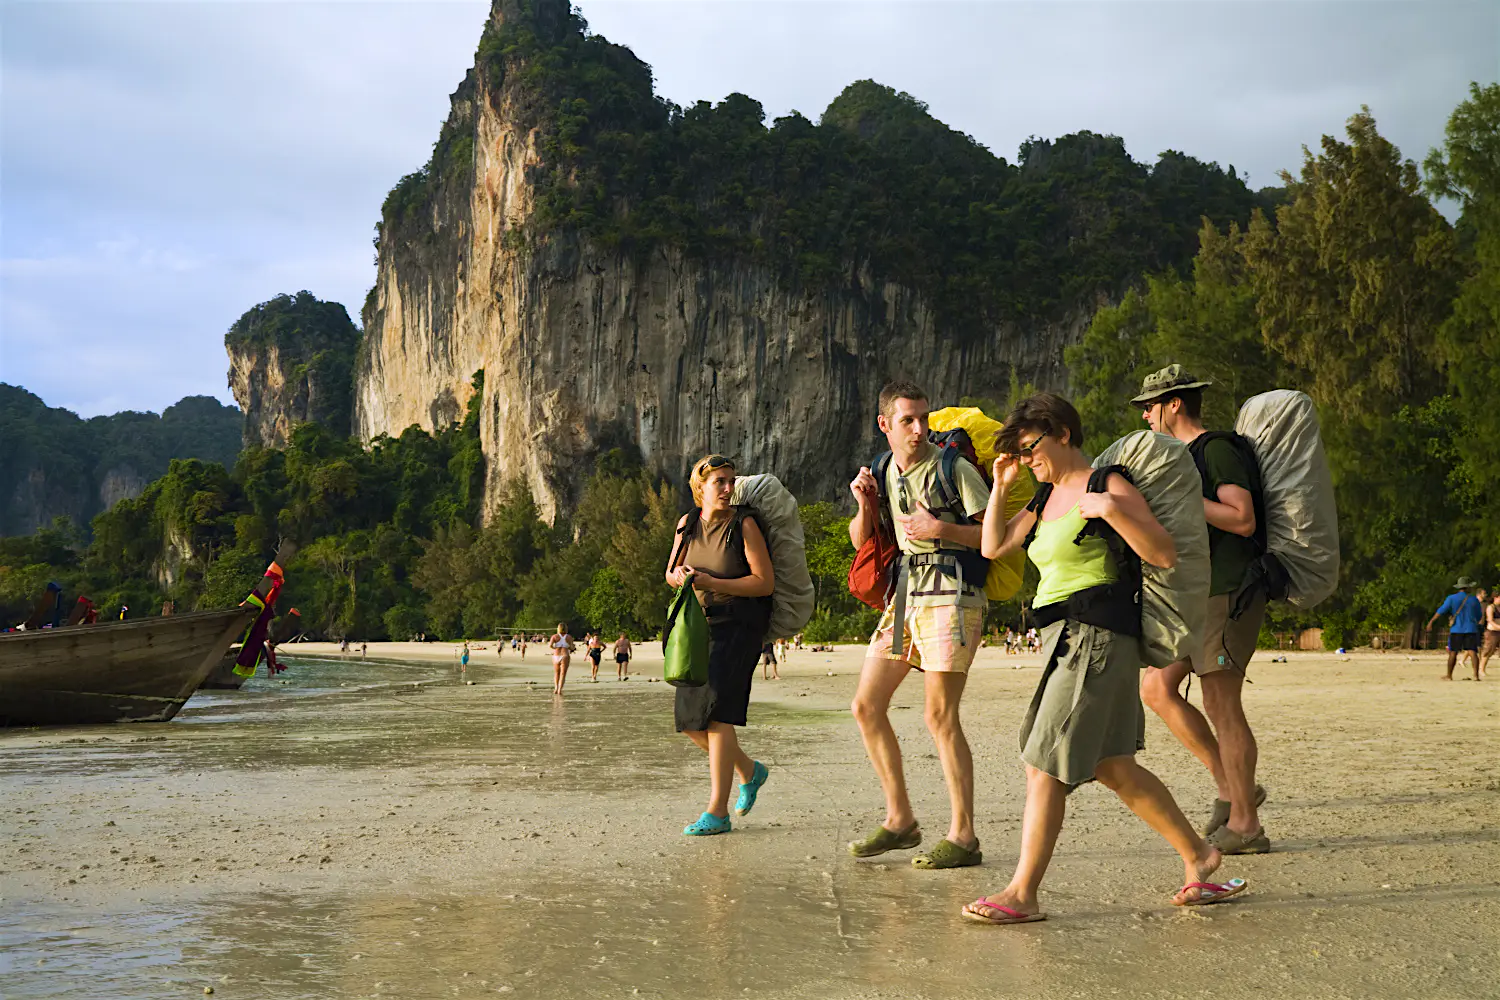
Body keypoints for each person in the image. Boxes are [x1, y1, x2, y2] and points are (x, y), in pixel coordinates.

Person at [963, 392, 1246, 925]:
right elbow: (992, 547)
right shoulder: (1043, 499)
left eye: (1032, 448)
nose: (1029, 461)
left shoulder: (1105, 485)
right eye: (1022, 454)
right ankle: (1200, 856)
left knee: (1043, 762)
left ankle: (1023, 892)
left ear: (1062, 433)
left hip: (1094, 634)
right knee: (1112, 765)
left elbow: (1162, 553)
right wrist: (1001, 487)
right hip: (1060, 640)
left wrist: (1112, 510)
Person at [846, 381, 989, 870]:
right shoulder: (884, 469)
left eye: (923, 418)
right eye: (907, 420)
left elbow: (994, 537)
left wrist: (941, 529)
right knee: (866, 706)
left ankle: (964, 836)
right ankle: (900, 820)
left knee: (939, 716)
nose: (919, 428)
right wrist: (865, 503)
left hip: (953, 592)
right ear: (884, 424)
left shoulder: (955, 468)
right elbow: (860, 540)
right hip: (906, 593)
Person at [1132, 366, 1270, 855]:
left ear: (1174, 404)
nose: (1145, 415)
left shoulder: (1215, 449)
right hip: (1193, 594)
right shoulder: (1183, 456)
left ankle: (1247, 825)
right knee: (1156, 687)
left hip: (1227, 591)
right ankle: (1232, 788)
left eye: (1149, 405)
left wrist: (1183, 497)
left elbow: (1241, 517)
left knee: (1221, 704)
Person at [664, 455, 774, 836]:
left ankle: (718, 811)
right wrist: (680, 578)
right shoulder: (687, 523)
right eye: (719, 483)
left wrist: (713, 583)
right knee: (690, 721)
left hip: (740, 625)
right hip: (699, 627)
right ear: (701, 488)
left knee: (717, 715)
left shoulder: (744, 524)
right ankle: (749, 770)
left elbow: (764, 582)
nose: (728, 488)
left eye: (730, 481)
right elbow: (669, 572)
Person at [1427, 577, 1484, 680]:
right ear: (1468, 588)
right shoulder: (1474, 599)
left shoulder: (1452, 598)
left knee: (1453, 652)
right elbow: (1479, 615)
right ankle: (1476, 675)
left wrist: (1431, 622)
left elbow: (1441, 611)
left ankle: (1449, 675)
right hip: (1470, 628)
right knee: (1472, 651)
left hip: (1456, 629)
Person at [549, 624, 574, 695]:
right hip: (564, 655)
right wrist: (568, 647)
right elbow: (572, 647)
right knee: (563, 674)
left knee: (556, 673)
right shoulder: (568, 637)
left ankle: (556, 688)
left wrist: (556, 648)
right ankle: (560, 689)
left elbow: (550, 645)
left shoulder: (554, 636)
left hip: (556, 655)